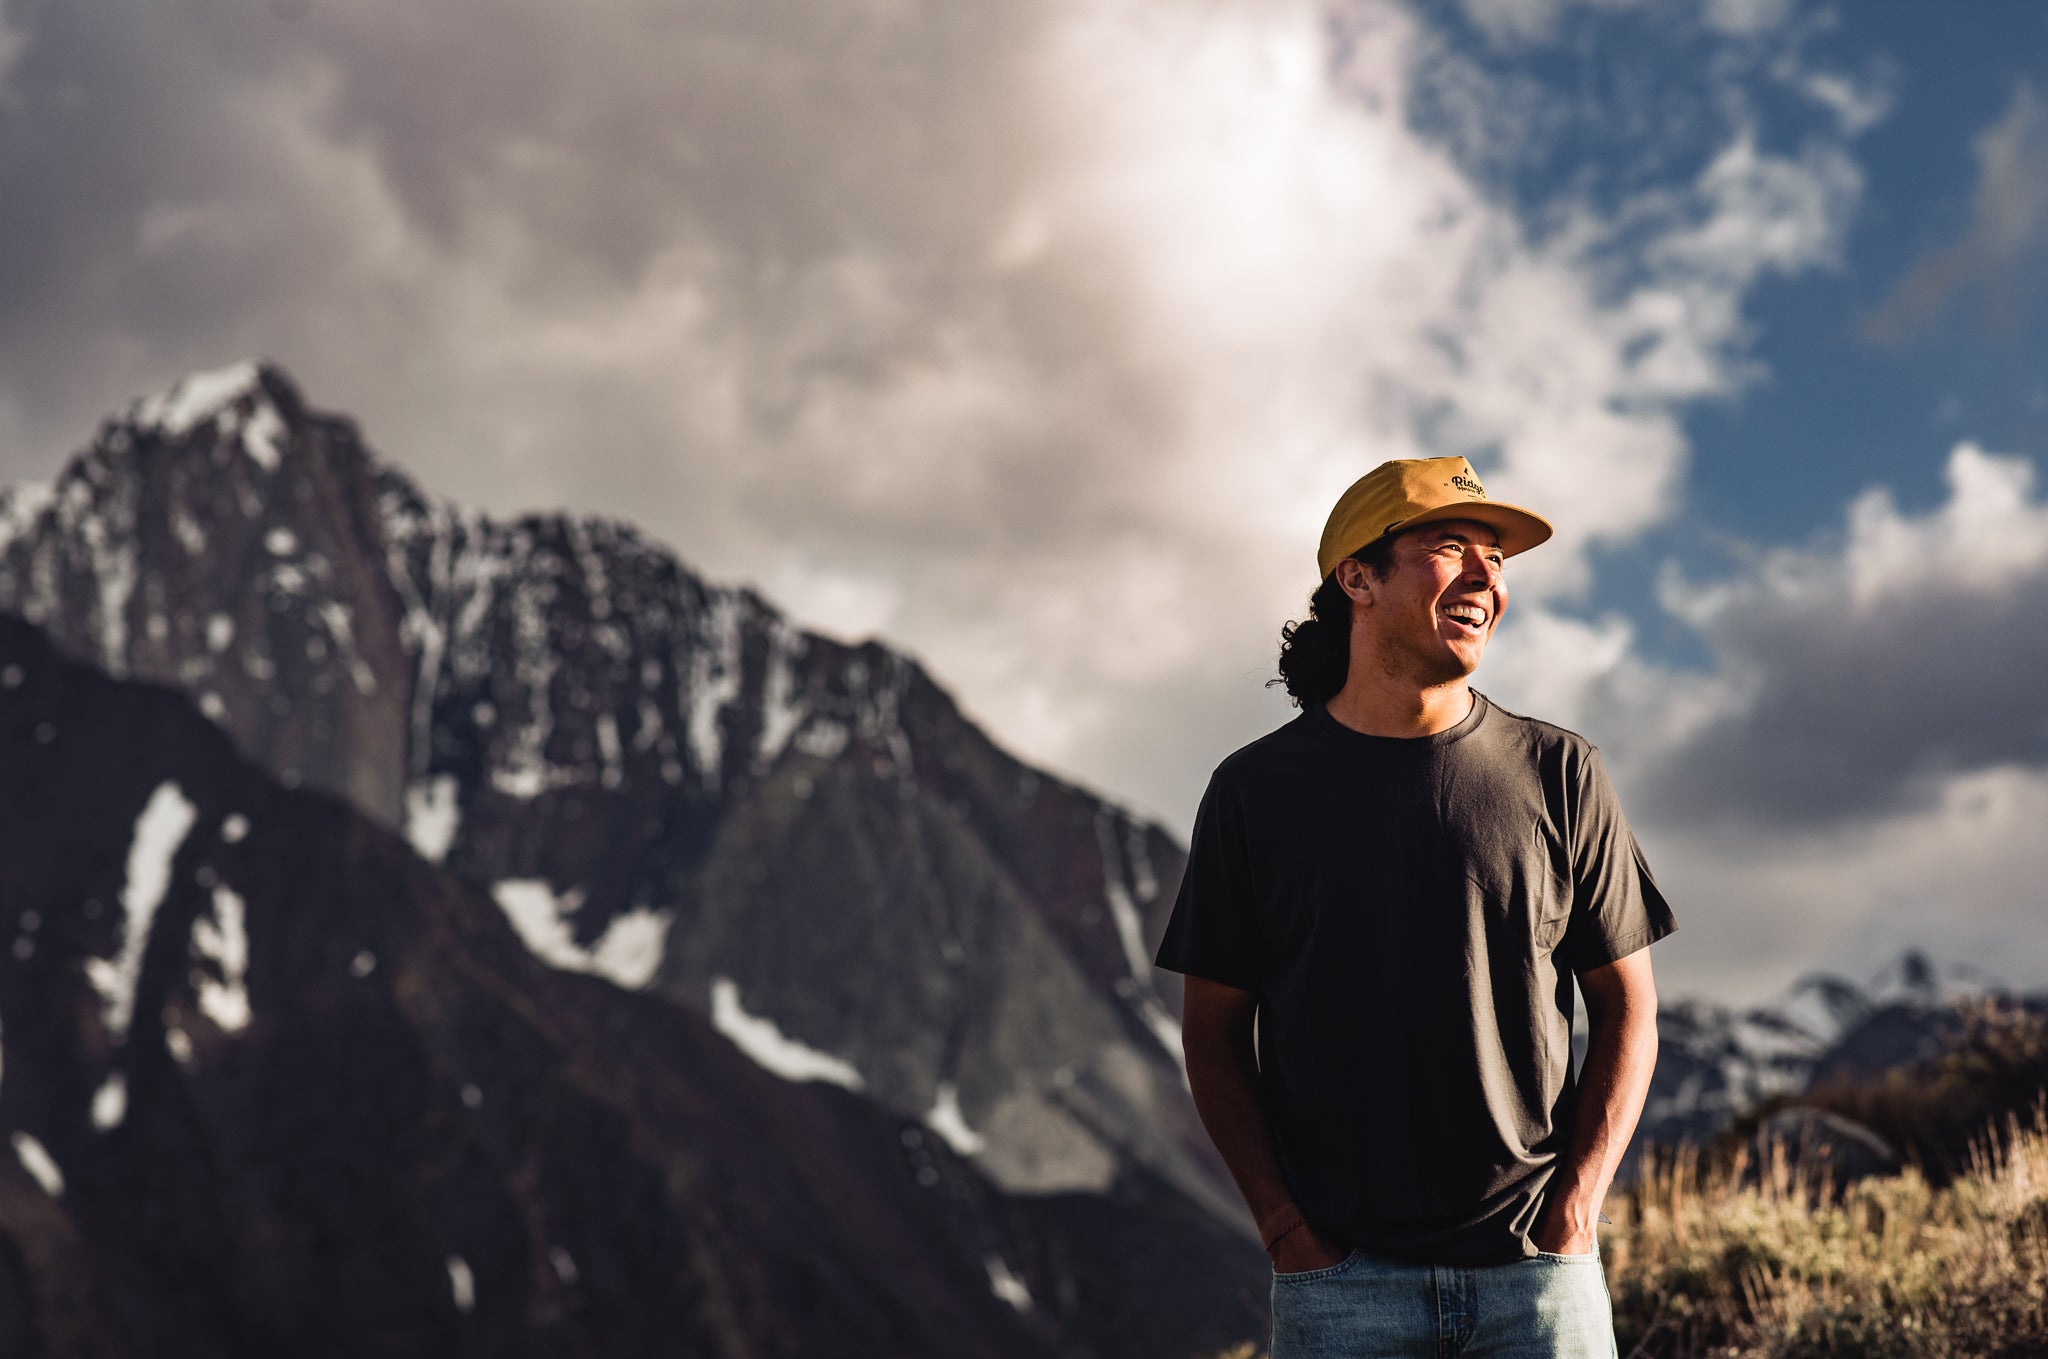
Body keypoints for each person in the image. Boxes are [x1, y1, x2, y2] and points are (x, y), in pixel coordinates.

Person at [1155, 456, 1674, 1358]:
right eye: (1451, 546)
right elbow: (1211, 1034)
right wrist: (1288, 1233)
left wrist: (1578, 1208)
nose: (1486, 577)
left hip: (1537, 1283)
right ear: (1356, 577)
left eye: (1497, 558)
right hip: (1342, 1293)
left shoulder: (1561, 772)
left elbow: (1627, 1004)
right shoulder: (1254, 793)